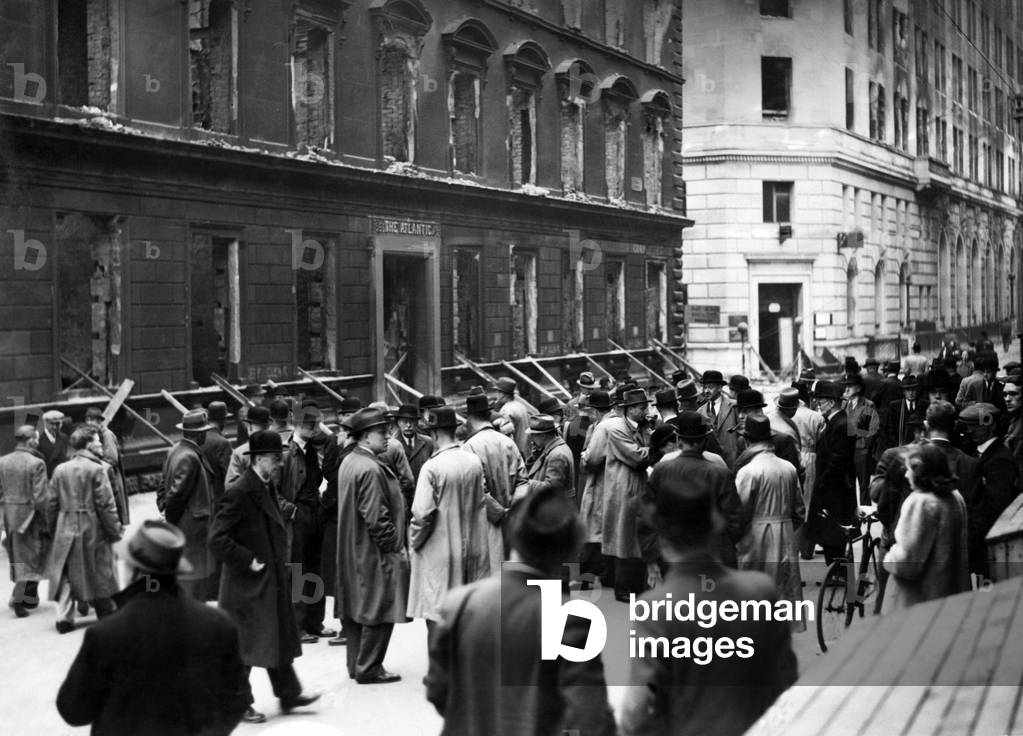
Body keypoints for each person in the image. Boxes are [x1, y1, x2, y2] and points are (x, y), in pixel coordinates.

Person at [424, 485, 617, 736]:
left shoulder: (459, 603)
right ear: (569, 551)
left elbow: (439, 691)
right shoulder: (571, 618)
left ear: (514, 536)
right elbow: (590, 718)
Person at [621, 470, 798, 736]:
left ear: (662, 537)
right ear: (714, 526)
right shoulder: (762, 592)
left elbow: (637, 709)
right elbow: (786, 678)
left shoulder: (655, 610)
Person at [57, 520, 250, 736]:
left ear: (134, 572)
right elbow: (238, 699)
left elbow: (73, 710)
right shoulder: (218, 625)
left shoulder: (105, 634)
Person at [208, 430, 320, 723]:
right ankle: (237, 702)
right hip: (247, 582)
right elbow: (217, 539)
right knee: (247, 646)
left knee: (275, 635)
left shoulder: (265, 486)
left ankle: (289, 693)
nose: (279, 463)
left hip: (269, 578)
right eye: (274, 459)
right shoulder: (240, 491)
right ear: (258, 459)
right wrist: (248, 560)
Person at [335, 408, 409, 684]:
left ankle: (356, 665)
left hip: (353, 549)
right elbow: (377, 518)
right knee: (380, 607)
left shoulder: (350, 462)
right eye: (382, 432)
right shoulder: (369, 468)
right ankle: (369, 667)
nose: (388, 436)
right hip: (373, 551)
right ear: (366, 437)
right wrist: (394, 545)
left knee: (356, 609)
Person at [408, 407, 497, 634]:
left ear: (435, 434)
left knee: (437, 613)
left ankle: (439, 669)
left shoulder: (432, 467)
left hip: (441, 551)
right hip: (474, 547)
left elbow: (422, 515)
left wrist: (414, 543)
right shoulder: (473, 461)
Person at [644, 411, 746, 575]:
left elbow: (647, 517)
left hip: (674, 554)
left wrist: (652, 556)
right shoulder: (719, 472)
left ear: (678, 439)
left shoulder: (662, 470)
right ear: (705, 440)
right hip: (715, 554)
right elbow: (735, 518)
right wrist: (725, 544)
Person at [45, 426, 123, 633]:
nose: (100, 444)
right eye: (97, 441)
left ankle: (64, 618)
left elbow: (51, 504)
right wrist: (114, 531)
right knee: (99, 568)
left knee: (66, 572)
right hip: (92, 524)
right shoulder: (97, 469)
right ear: (88, 444)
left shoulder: (60, 469)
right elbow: (106, 504)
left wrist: (54, 529)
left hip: (65, 523)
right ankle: (104, 609)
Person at [734, 415, 805, 630]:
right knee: (784, 585)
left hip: (757, 533)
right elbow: (800, 510)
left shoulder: (748, 471)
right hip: (785, 531)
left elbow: (739, 511)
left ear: (748, 442)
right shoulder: (788, 468)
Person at [883, 443, 970, 610]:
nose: (907, 474)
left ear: (920, 473)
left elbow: (907, 564)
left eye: (910, 469)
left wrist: (890, 558)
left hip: (916, 597)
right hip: (946, 592)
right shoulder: (955, 498)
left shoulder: (920, 503)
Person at [280, 400, 335, 642]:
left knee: (315, 568)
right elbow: (272, 492)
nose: (315, 428)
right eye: (311, 424)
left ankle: (315, 621)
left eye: (315, 424)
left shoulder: (311, 449)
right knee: (297, 570)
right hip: (297, 516)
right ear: (299, 425)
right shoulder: (286, 453)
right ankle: (298, 625)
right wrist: (291, 511)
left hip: (314, 514)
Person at [159, 409, 217, 600]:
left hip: (186, 525)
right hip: (191, 528)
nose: (206, 435)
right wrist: (171, 518)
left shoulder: (175, 450)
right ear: (199, 434)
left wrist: (163, 507)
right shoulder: (189, 457)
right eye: (205, 432)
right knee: (192, 578)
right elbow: (176, 495)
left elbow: (162, 486)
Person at [602, 388, 652, 600]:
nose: (645, 411)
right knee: (624, 539)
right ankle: (622, 588)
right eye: (642, 408)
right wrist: (656, 447)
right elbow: (636, 457)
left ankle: (635, 585)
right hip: (624, 490)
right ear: (630, 410)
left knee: (634, 538)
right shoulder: (617, 430)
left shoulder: (641, 427)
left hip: (635, 487)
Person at [960, 402, 1018, 579]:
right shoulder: (975, 452)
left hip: (987, 543)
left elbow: (996, 507)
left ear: (990, 427)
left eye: (974, 426)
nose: (969, 431)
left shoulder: (1000, 460)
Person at [462, 391, 526, 542]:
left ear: (469, 419)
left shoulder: (469, 447)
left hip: (487, 523)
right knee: (512, 563)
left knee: (493, 563)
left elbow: (478, 489)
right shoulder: (508, 442)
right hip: (515, 522)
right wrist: (514, 511)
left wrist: (500, 514)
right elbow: (523, 481)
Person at [0, 425, 50, 617]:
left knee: (18, 559)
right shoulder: (36, 463)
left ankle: (27, 597)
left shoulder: (2, 461)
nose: (37, 441)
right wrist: (47, 522)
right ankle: (19, 599)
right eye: (36, 438)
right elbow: (41, 499)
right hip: (30, 518)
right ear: (31, 440)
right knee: (32, 558)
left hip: (11, 516)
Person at [805, 380, 857, 563]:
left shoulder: (841, 424)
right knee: (830, 533)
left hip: (835, 490)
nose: (818, 404)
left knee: (834, 534)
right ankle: (837, 572)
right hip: (832, 488)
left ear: (833, 401)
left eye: (821, 400)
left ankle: (840, 574)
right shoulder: (836, 422)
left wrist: (822, 482)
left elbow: (838, 460)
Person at [578, 390, 613, 587]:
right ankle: (604, 573)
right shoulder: (615, 422)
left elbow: (591, 459)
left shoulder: (602, 427)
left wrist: (584, 457)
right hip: (610, 482)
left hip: (599, 482)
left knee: (592, 530)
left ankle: (586, 577)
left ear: (594, 411)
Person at [84, 407, 129, 525]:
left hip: (111, 476)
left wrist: (95, 460)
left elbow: (112, 459)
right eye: (87, 420)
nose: (89, 423)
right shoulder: (94, 434)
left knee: (112, 509)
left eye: (92, 420)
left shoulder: (107, 435)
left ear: (99, 421)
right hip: (103, 476)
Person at [842, 372, 881, 505]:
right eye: (846, 386)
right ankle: (852, 517)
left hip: (861, 450)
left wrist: (865, 445)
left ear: (858, 388)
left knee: (864, 486)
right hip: (846, 451)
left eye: (850, 386)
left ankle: (866, 515)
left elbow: (874, 428)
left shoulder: (868, 404)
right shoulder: (843, 405)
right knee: (849, 485)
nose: (846, 389)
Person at [524, 414, 576, 500]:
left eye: (533, 435)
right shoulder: (553, 449)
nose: (532, 439)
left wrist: (526, 484)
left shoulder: (557, 455)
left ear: (543, 436)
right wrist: (535, 456)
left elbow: (552, 488)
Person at [699, 370, 739, 469]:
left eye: (711, 387)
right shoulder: (701, 412)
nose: (706, 391)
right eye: (705, 387)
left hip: (733, 461)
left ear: (720, 388)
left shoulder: (734, 406)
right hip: (711, 465)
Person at [225, 405, 272, 488]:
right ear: (268, 427)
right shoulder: (280, 449)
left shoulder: (240, 453)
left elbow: (230, 486)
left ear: (249, 427)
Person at [201, 401, 234, 512]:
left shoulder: (199, 438)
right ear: (223, 420)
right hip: (218, 503)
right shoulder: (222, 443)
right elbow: (229, 475)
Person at [493, 377, 535, 458]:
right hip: (527, 452)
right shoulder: (520, 405)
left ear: (501, 394)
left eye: (497, 392)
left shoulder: (506, 410)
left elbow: (506, 440)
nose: (496, 395)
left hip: (518, 454)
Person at [394, 403, 435, 485]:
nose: (408, 425)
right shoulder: (393, 445)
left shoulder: (428, 442)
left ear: (416, 423)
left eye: (412, 421)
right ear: (398, 423)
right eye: (405, 421)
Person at [38, 409, 69, 478]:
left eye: (57, 424)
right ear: (45, 423)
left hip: (60, 477)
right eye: (52, 424)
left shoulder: (64, 438)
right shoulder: (38, 438)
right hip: (45, 478)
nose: (55, 427)